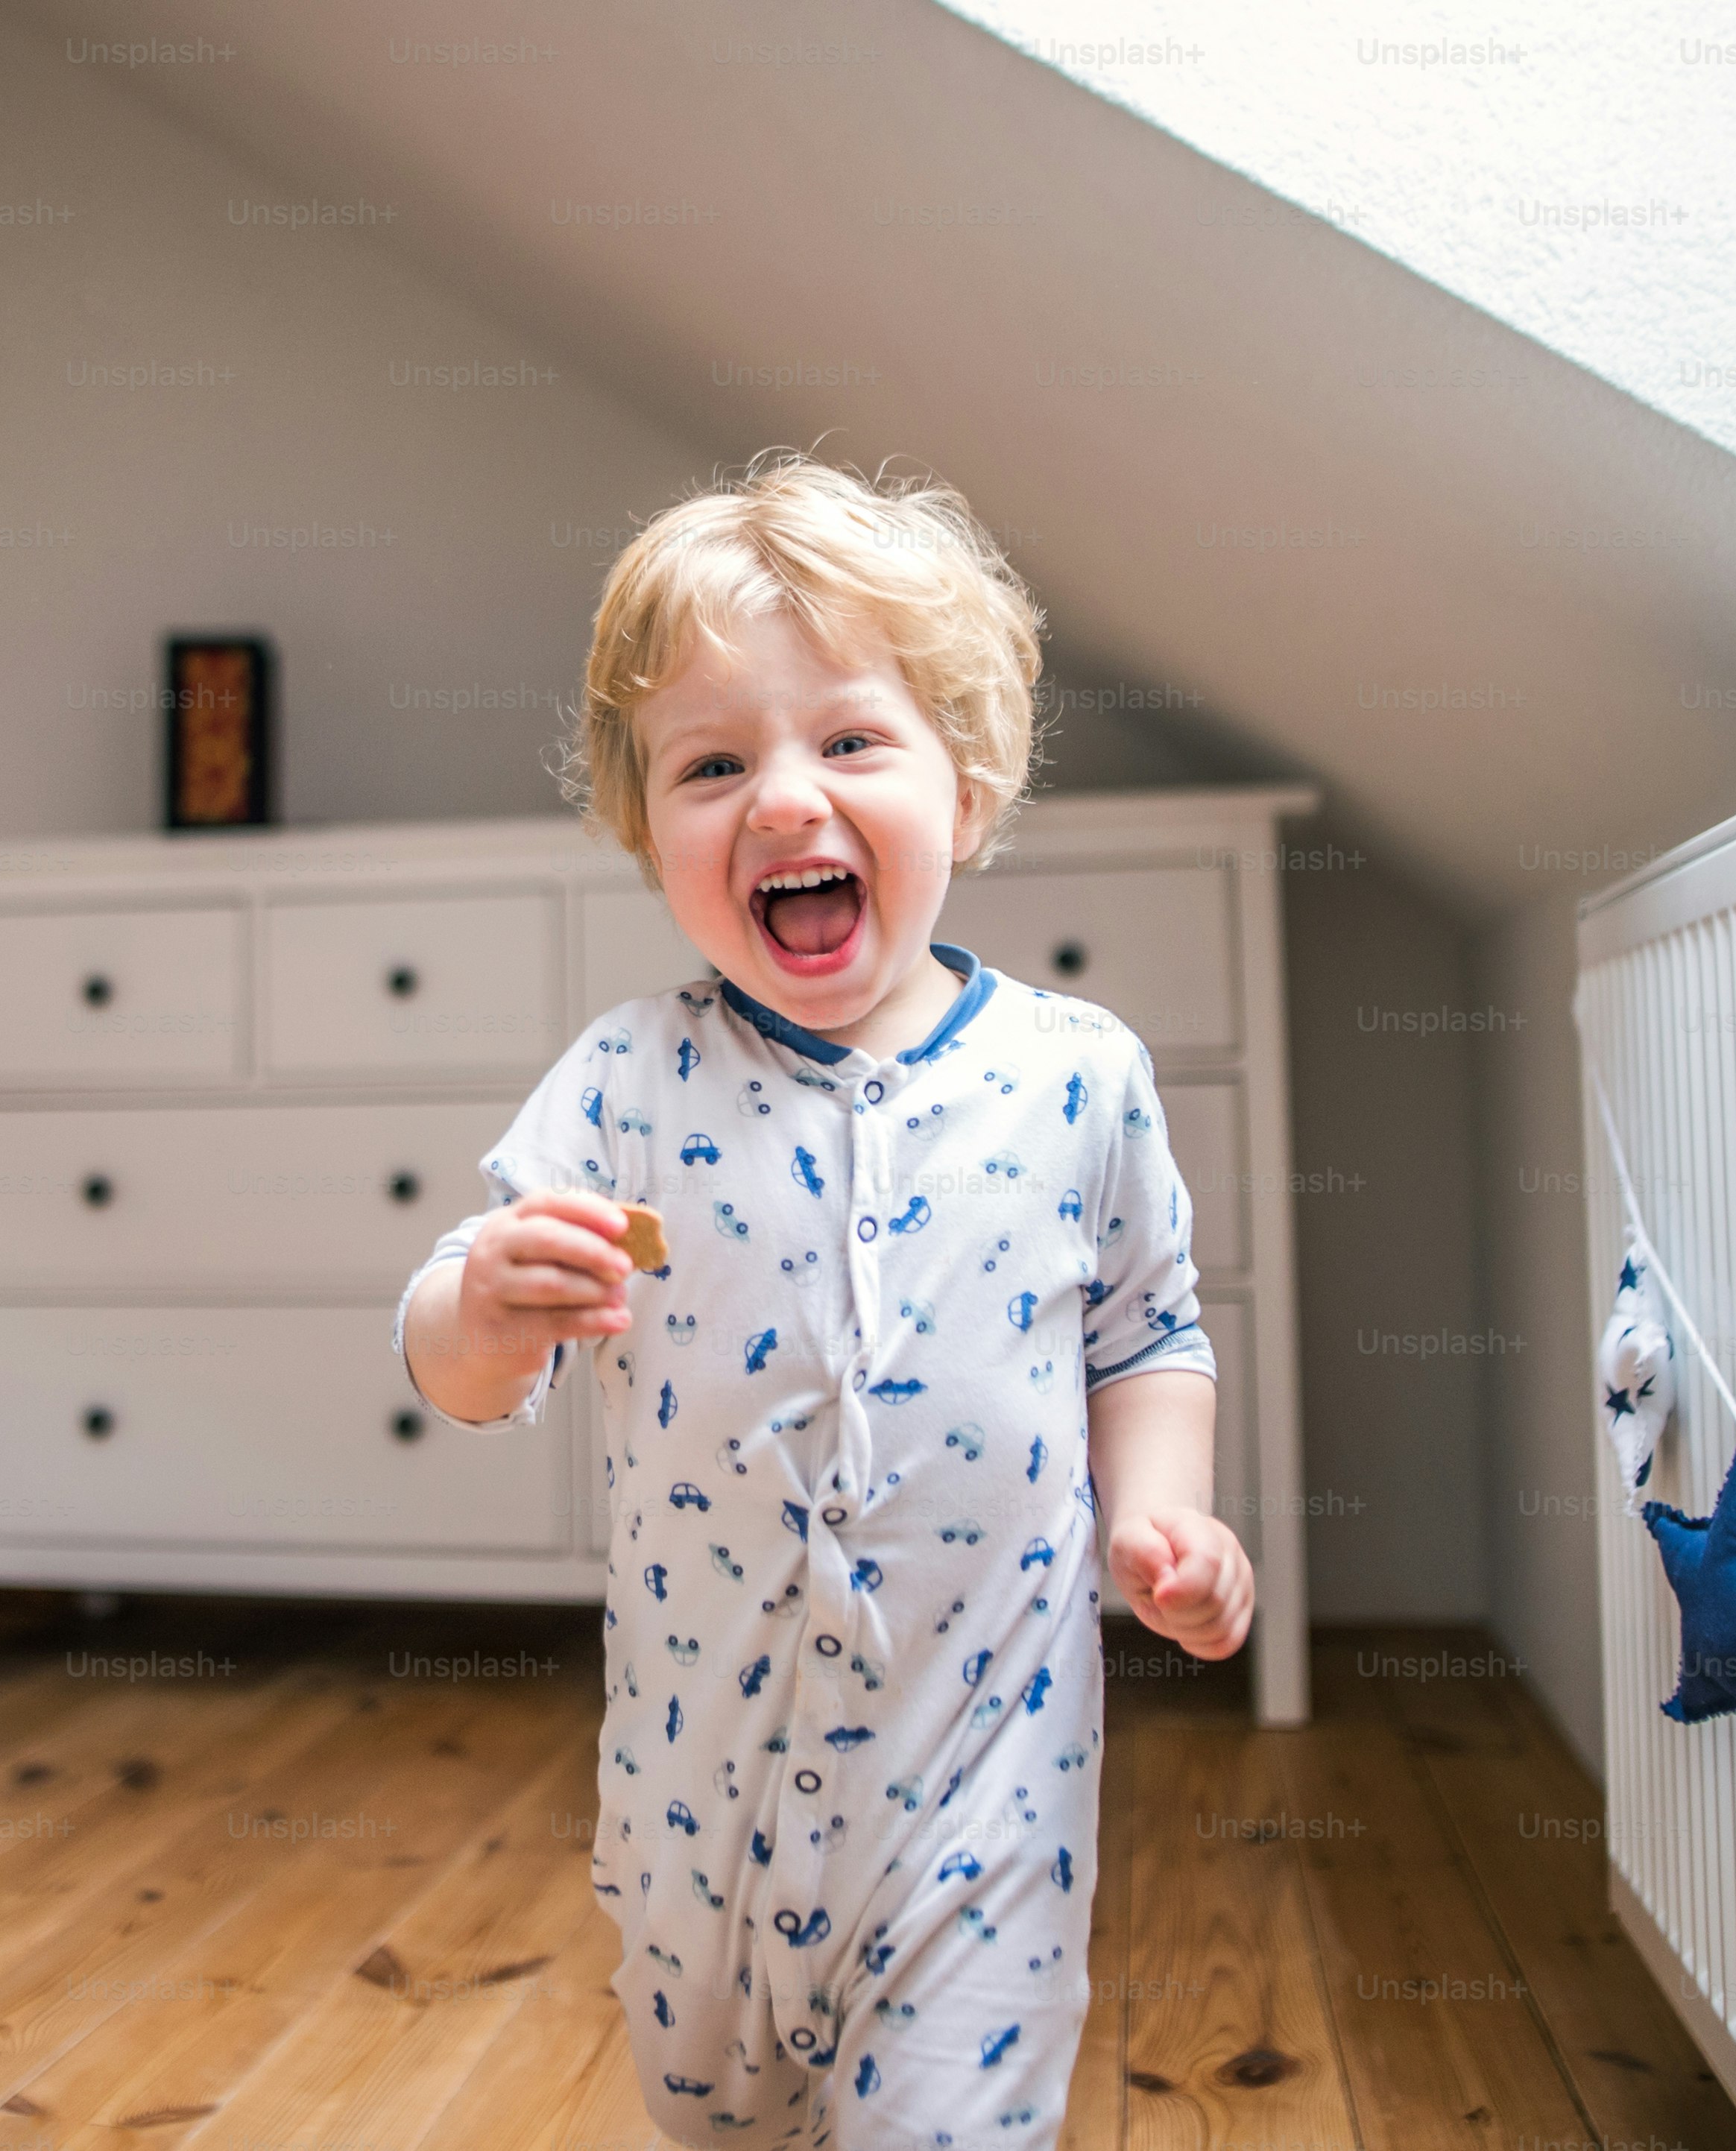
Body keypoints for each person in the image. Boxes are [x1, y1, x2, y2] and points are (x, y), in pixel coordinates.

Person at [395, 451, 1252, 2151]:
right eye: (713, 766)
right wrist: (482, 1309)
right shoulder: (627, 1085)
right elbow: (461, 1365)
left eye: (850, 742)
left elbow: (1148, 1336)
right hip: (692, 1813)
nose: (784, 801)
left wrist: (1164, 1521)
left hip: (986, 1792)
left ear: (969, 783)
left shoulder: (1077, 1079)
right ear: (651, 834)